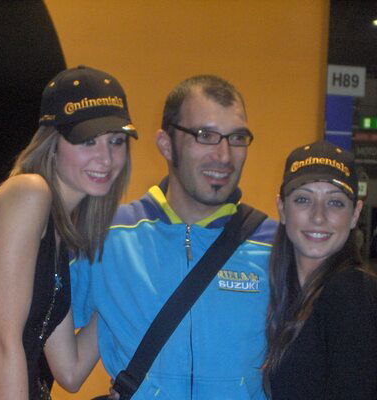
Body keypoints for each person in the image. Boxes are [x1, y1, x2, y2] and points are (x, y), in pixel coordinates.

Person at [71, 74, 277, 399]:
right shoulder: (107, 236)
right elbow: (26, 333)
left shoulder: (275, 245)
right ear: (166, 144)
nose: (224, 156)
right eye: (205, 136)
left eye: (237, 138)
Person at [0, 65, 138, 399]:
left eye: (116, 141)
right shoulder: (29, 193)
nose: (106, 158)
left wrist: (127, 284)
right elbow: (3, 341)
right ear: (52, 144)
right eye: (88, 141)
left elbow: (70, 371)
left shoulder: (58, 234)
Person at [263, 140, 377, 399]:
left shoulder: (352, 293)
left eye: (335, 202)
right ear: (282, 208)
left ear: (355, 214)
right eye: (303, 199)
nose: (318, 216)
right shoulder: (286, 294)